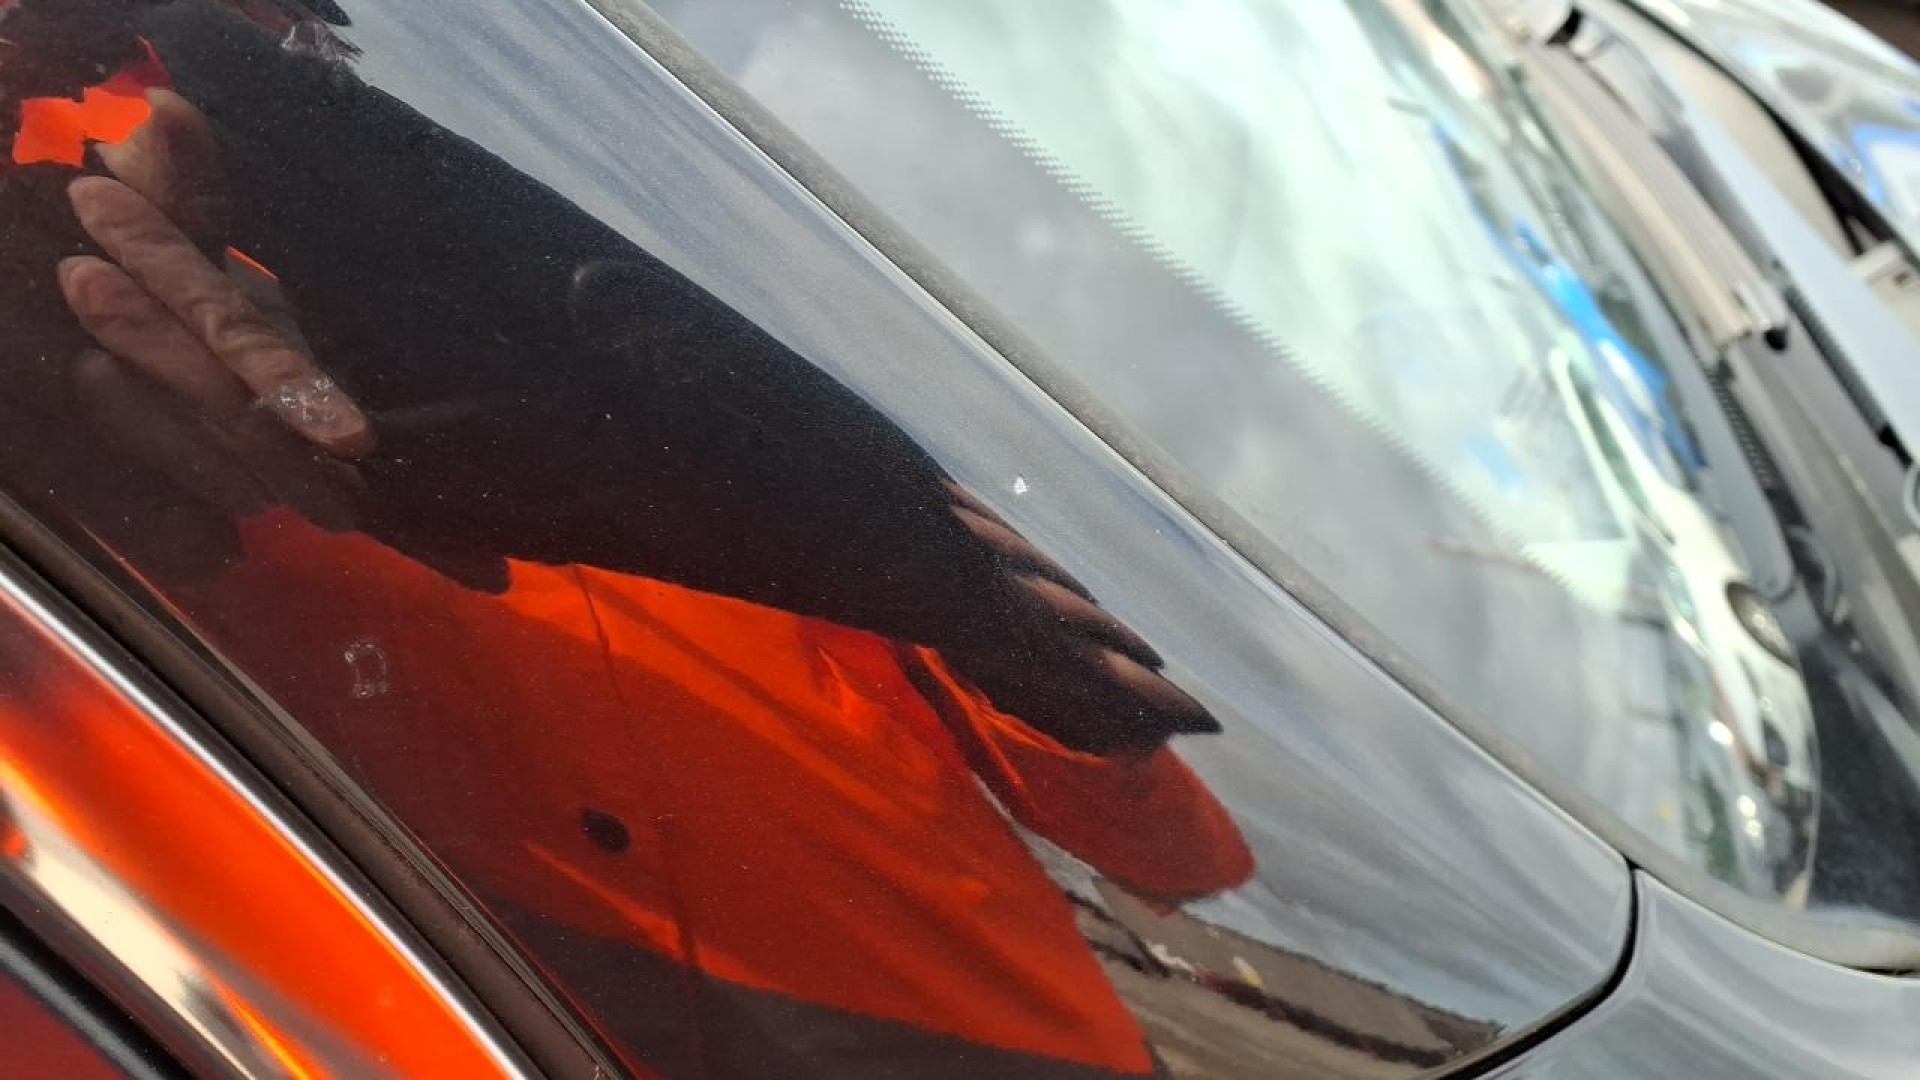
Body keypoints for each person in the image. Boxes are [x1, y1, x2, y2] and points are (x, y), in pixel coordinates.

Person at [5, 2, 1255, 1075]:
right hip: (398, 976)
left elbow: (1169, 853)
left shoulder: (650, 194)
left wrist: (1029, 654)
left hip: (974, 1026)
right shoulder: (72, 195)